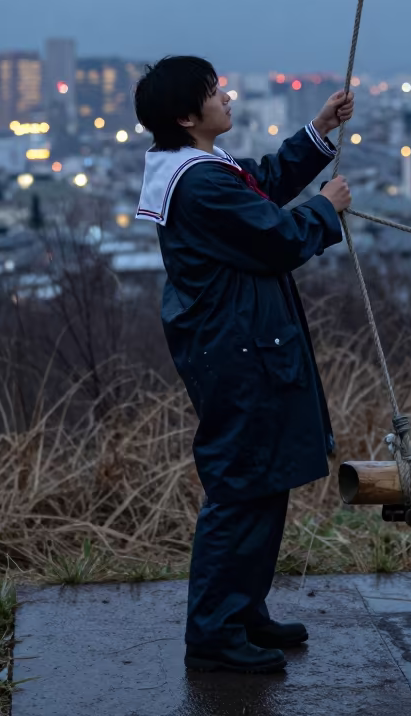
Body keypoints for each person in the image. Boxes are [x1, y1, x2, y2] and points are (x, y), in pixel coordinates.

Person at [134, 56, 353, 674]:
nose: (225, 96)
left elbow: (260, 183)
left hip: (240, 344)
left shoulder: (196, 169)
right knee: (240, 488)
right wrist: (326, 207)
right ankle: (214, 633)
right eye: (212, 92)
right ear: (186, 116)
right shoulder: (199, 182)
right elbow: (274, 236)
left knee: (263, 479)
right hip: (237, 352)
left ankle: (242, 609)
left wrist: (317, 132)